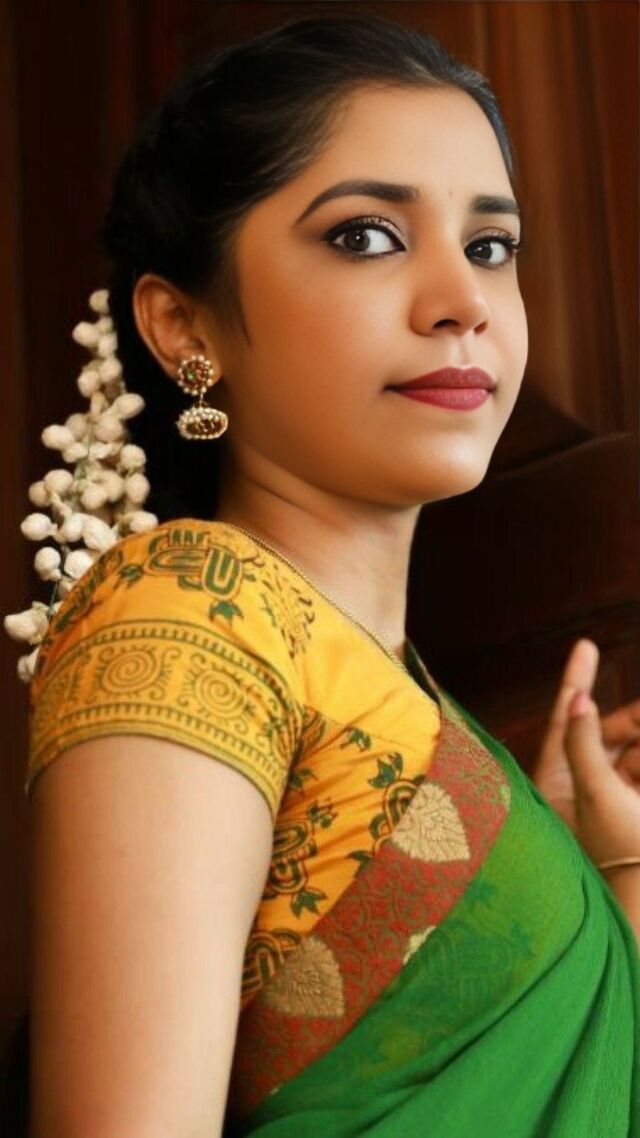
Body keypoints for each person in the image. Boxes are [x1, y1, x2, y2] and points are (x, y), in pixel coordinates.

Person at [5, 12, 639, 1137]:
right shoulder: (192, 611)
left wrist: (572, 869)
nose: (463, 300)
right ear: (183, 325)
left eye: (491, 246)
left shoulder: (397, 693)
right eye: (366, 236)